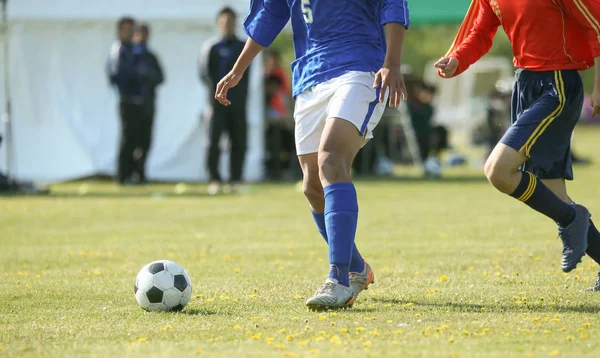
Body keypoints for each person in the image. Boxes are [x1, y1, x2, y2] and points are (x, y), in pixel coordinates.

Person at [214, 0, 410, 310]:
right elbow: (272, 13)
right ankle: (357, 267)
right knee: (312, 187)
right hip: (309, 75)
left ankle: (339, 279)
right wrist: (238, 69)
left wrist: (393, 62)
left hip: (360, 68)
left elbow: (392, 3)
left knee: (331, 161)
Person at [435, 0, 600, 277]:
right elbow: (479, 33)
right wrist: (458, 59)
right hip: (524, 85)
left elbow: (597, 26)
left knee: (498, 170)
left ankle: (571, 219)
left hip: (557, 87)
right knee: (554, 194)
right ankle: (572, 218)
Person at [199, 7, 249, 195]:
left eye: (230, 21)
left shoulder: (242, 47)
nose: (227, 24)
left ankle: (235, 180)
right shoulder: (211, 47)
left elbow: (247, 76)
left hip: (238, 104)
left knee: (239, 142)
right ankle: (214, 179)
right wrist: (217, 96)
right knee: (213, 143)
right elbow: (204, 74)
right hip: (216, 105)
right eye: (224, 21)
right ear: (219, 23)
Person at [107, 17, 144, 185]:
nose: (130, 33)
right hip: (126, 100)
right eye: (126, 29)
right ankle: (122, 175)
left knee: (136, 138)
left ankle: (131, 173)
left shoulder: (134, 49)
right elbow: (115, 75)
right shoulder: (118, 49)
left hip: (137, 100)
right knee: (127, 137)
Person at [132, 24, 164, 184]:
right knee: (131, 140)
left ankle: (140, 173)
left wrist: (148, 76)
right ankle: (128, 173)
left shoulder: (151, 57)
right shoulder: (128, 55)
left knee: (145, 141)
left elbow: (161, 77)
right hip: (132, 105)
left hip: (148, 104)